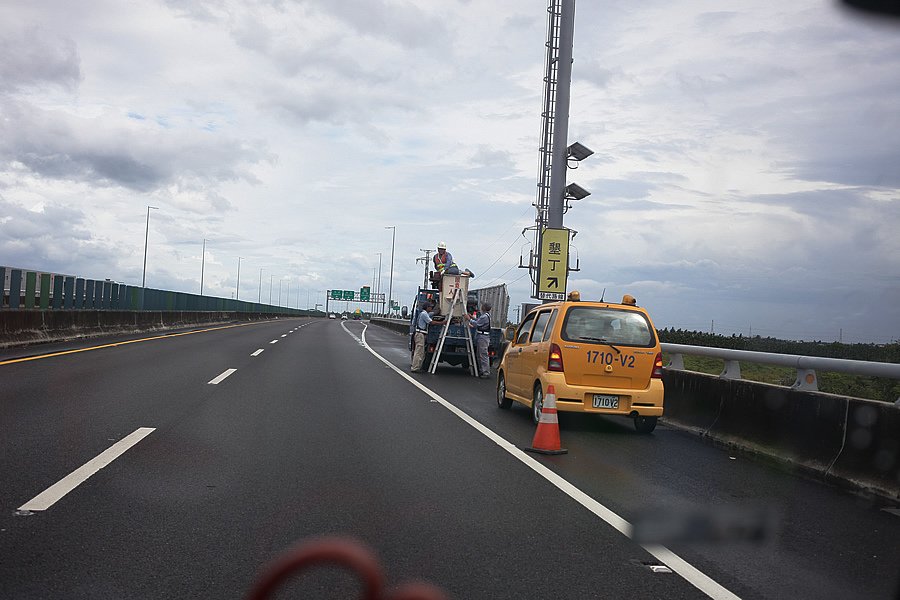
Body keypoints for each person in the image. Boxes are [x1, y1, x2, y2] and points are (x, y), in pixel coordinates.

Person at [464, 301, 492, 378]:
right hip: (483, 336)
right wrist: (472, 317)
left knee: (483, 355)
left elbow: (477, 324)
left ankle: (485, 372)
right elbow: (479, 321)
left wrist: (469, 319)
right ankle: (482, 371)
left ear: (484, 307)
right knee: (480, 354)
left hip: (483, 337)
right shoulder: (485, 316)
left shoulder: (484, 316)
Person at [411, 300, 435, 372]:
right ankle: (415, 368)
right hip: (420, 334)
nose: (431, 308)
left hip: (420, 334)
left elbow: (432, 314)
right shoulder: (424, 314)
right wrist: (443, 322)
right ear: (427, 307)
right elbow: (431, 322)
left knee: (421, 352)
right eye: (430, 307)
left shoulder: (424, 313)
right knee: (419, 352)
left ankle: (418, 367)